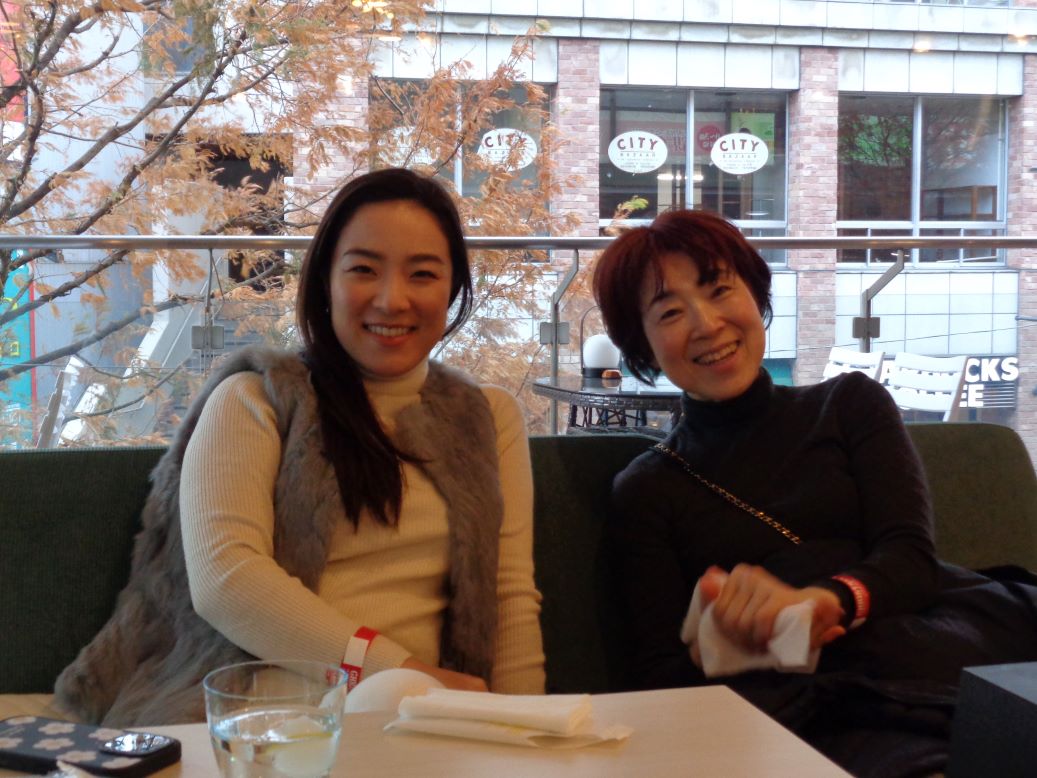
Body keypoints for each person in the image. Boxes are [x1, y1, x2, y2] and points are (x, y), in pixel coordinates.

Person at [55, 168, 545, 726]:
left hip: (428, 723)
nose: (392, 300)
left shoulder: (489, 417)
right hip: (263, 715)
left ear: (452, 289)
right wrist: (404, 673)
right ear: (325, 283)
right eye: (363, 269)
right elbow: (228, 581)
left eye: (423, 274)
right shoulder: (256, 399)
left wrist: (525, 728)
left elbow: (509, 597)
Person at [593, 208, 1037, 777]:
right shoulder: (648, 489)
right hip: (821, 710)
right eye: (670, 312)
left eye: (719, 290)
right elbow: (659, 678)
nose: (706, 324)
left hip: (943, 650)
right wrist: (726, 640)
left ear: (754, 294)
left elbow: (909, 558)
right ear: (643, 347)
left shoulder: (849, 404)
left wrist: (828, 602)